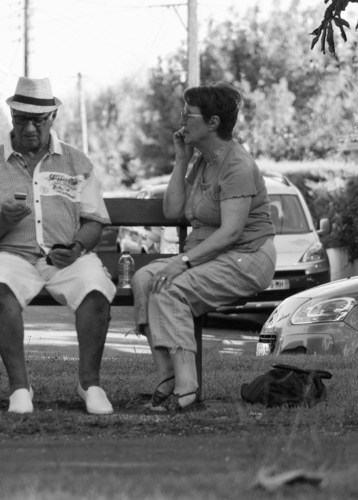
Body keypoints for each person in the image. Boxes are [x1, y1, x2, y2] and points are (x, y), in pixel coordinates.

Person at [0, 77, 117, 415]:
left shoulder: (77, 162)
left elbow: (95, 221)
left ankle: (89, 383)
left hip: (65, 255)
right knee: (0, 290)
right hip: (9, 255)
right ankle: (20, 387)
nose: (29, 127)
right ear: (12, 117)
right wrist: (3, 221)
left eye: (38, 119)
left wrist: (77, 246)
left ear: (52, 118)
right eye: (21, 119)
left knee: (95, 290)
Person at [131, 82, 276, 411]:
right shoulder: (201, 161)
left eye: (187, 114)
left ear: (212, 122)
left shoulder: (237, 165)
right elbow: (171, 211)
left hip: (246, 257)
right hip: (210, 255)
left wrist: (180, 262)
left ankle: (187, 388)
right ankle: (167, 375)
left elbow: (230, 233)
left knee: (170, 288)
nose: (181, 121)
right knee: (143, 279)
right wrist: (181, 160)